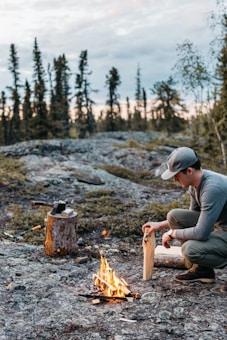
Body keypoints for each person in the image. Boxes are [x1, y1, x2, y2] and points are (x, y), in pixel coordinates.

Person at [142, 147, 227, 293]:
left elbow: (201, 233)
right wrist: (159, 225)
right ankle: (202, 271)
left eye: (177, 175)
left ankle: (203, 263)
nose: (175, 179)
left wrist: (172, 234)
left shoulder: (212, 188)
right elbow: (194, 215)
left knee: (190, 250)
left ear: (189, 171)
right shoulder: (195, 184)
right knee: (174, 216)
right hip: (220, 226)